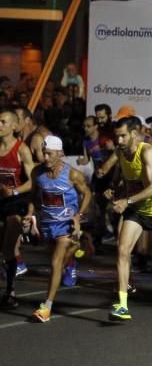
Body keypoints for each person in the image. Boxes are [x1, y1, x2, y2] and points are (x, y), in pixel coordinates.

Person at [106, 116, 152, 321]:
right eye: (116, 136)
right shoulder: (121, 152)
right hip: (137, 210)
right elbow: (125, 179)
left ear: (133, 134)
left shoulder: (146, 151)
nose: (119, 140)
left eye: (122, 136)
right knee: (122, 250)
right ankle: (122, 304)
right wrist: (114, 191)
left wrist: (126, 201)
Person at [27, 136, 92, 322]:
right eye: (44, 153)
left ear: (60, 153)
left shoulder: (72, 174)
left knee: (55, 264)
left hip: (67, 225)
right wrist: (30, 214)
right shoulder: (37, 173)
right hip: (48, 224)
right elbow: (33, 196)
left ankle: (46, 307)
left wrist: (79, 216)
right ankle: (75, 253)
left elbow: (87, 193)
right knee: (59, 262)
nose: (46, 157)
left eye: (50, 154)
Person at [0, 108, 37, 308]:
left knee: (8, 249)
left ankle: (10, 292)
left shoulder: (21, 149)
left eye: (3, 122)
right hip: (0, 200)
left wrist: (14, 191)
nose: (0, 125)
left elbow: (33, 182)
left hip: (15, 203)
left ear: (14, 126)